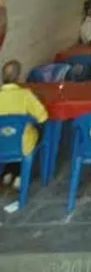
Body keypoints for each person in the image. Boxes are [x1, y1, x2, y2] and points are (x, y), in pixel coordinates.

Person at [0, 60, 48, 190]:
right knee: (34, 133)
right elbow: (43, 117)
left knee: (8, 135)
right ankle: (20, 175)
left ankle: (8, 172)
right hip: (22, 144)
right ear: (18, 77)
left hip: (1, 142)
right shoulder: (25, 95)